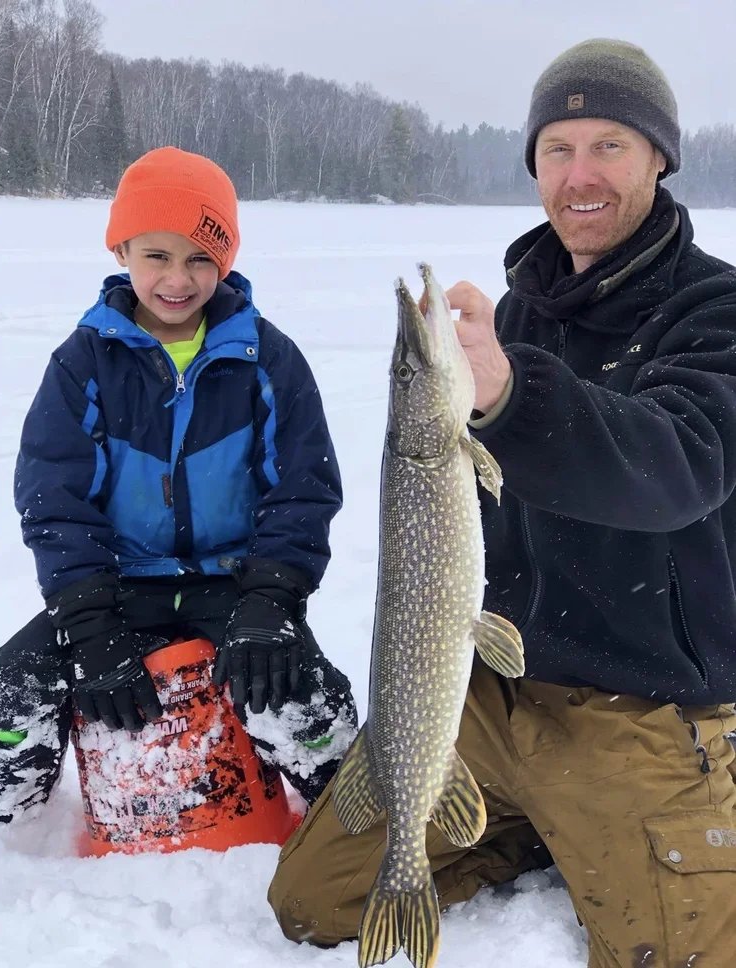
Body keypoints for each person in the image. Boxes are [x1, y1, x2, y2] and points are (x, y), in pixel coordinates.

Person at [268, 39, 736, 966]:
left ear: (660, 159)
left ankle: (625, 809)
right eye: (557, 150)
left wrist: (512, 395)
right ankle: (527, 824)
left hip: (633, 704)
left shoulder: (712, 309)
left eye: (611, 145)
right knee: (314, 902)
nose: (581, 174)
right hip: (489, 696)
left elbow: (674, 468)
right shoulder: (517, 317)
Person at [0, 146, 357, 824]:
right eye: (156, 255)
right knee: (4, 698)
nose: (177, 279)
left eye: (199, 258)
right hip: (120, 587)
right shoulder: (82, 364)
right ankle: (9, 830)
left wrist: (272, 600)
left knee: (301, 697)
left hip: (234, 585)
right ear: (122, 249)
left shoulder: (268, 359)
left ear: (226, 260)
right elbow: (55, 503)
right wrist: (91, 628)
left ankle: (357, 819)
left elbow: (302, 491)